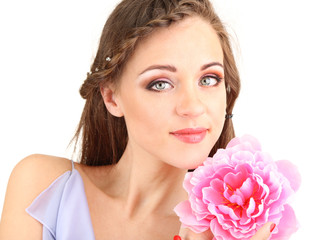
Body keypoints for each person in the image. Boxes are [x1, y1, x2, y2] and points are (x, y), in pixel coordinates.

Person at [0, 0, 275, 239]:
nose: (193, 107)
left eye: (209, 79)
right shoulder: (44, 186)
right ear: (112, 98)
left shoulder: (239, 232)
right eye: (160, 84)